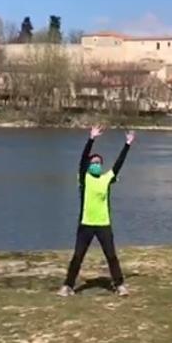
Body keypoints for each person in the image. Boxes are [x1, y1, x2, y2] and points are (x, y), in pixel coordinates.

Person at [58, 126, 134, 297]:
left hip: (103, 224)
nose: (96, 165)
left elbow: (118, 164)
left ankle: (120, 285)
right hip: (85, 224)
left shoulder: (106, 179)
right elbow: (82, 160)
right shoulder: (84, 178)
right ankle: (68, 286)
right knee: (78, 256)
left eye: (99, 163)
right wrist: (91, 139)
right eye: (94, 163)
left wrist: (127, 144)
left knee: (111, 256)